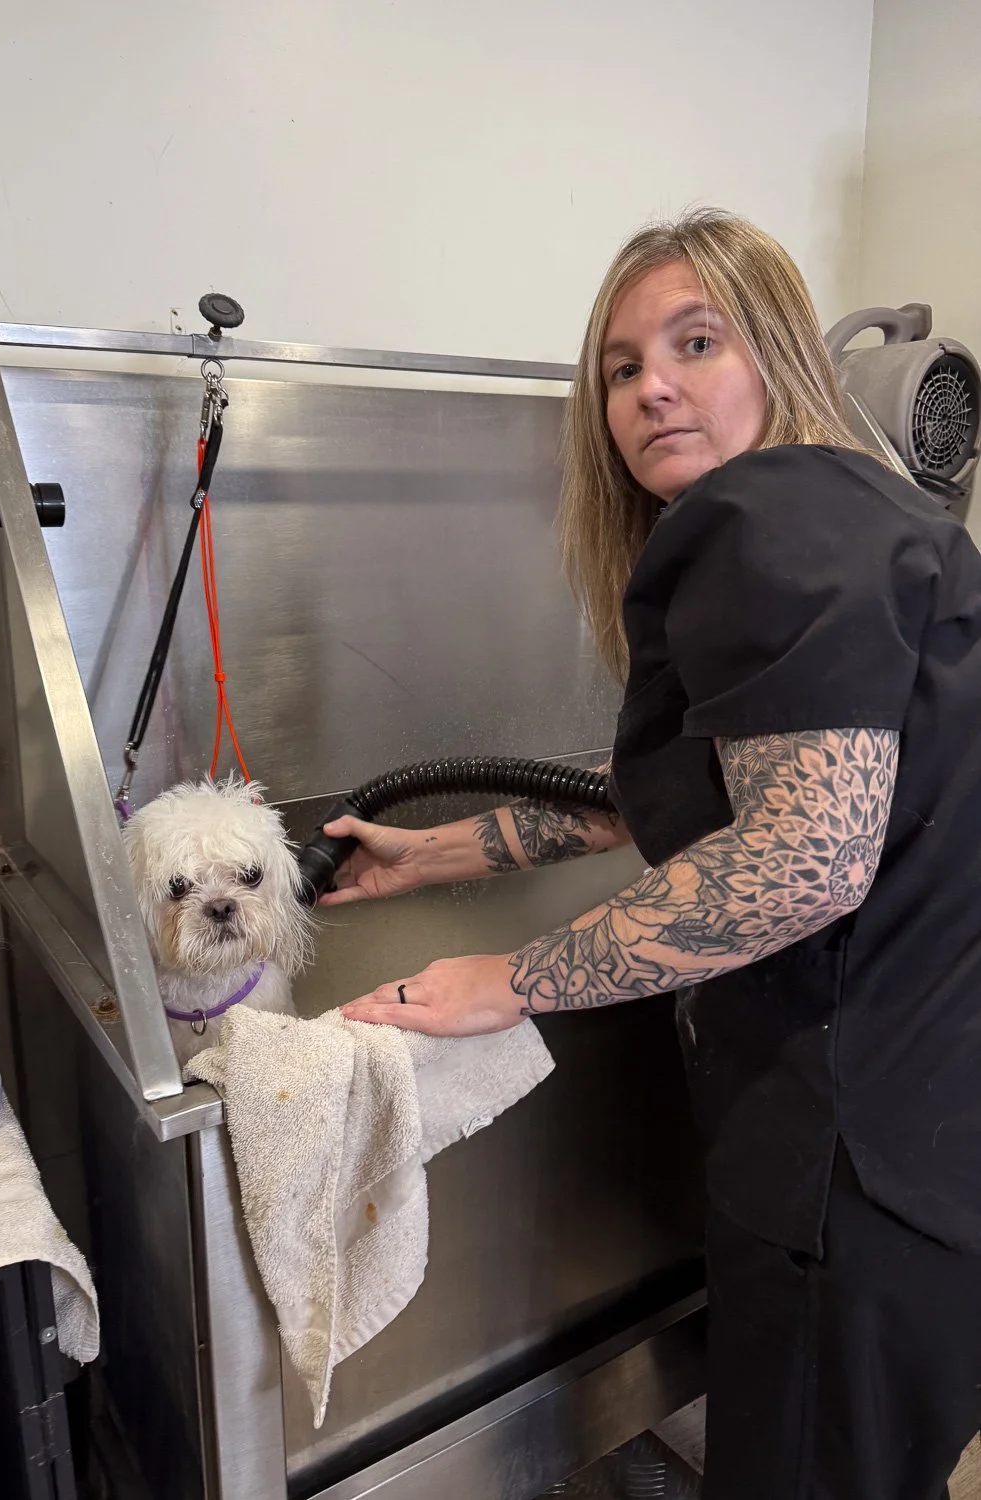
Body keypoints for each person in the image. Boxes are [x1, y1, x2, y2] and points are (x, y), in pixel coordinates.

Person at [326, 209, 981, 1500]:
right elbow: (679, 792)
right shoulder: (860, 515)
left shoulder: (766, 523)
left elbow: (802, 857)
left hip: (846, 1187)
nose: (652, 387)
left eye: (696, 341)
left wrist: (505, 978)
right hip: (928, 1155)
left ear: (781, 354)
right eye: (622, 367)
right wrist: (434, 855)